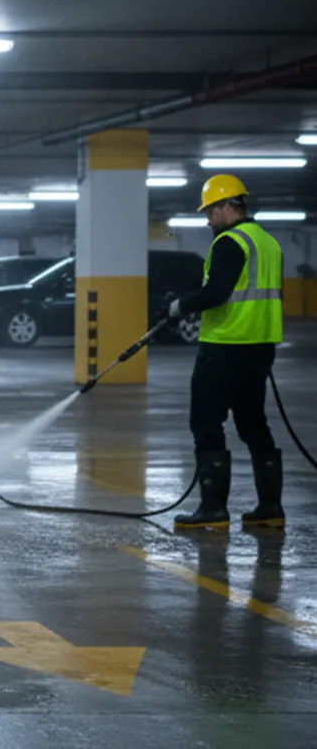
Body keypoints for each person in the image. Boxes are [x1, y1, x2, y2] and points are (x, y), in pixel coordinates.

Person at [170, 174, 285, 530]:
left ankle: (213, 511)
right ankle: (270, 510)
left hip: (223, 347)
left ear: (225, 207)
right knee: (253, 423)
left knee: (205, 422)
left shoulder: (230, 242)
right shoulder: (267, 243)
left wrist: (177, 307)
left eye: (209, 211)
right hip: (260, 349)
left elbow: (216, 293)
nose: (207, 220)